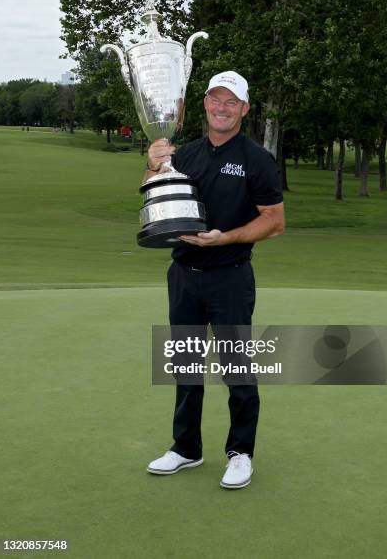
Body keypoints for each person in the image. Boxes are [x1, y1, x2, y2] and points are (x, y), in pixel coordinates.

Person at [144, 71, 285, 489]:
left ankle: (241, 452)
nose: (221, 108)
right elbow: (156, 197)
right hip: (184, 275)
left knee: (237, 368)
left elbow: (275, 223)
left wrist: (225, 237)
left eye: (231, 101)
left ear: (244, 108)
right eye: (214, 99)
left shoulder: (256, 158)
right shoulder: (184, 154)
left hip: (230, 277)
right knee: (186, 365)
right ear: (204, 104)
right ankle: (186, 448)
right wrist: (153, 163)